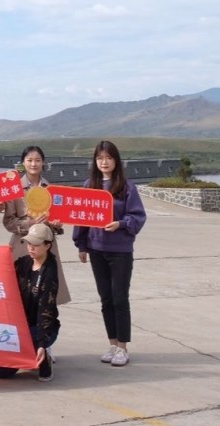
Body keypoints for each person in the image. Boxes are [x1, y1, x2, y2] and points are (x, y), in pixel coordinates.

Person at [73, 140, 147, 368]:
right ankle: (113, 344)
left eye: (108, 158)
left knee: (119, 298)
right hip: (97, 250)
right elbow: (81, 216)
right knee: (106, 299)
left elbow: (138, 216)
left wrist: (121, 224)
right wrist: (81, 245)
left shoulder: (126, 186)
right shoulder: (89, 185)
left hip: (120, 251)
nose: (104, 162)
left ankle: (123, 347)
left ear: (116, 160)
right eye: (100, 158)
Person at [1, 145, 71, 304]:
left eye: (38, 160)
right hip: (23, 245)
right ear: (23, 163)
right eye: (30, 160)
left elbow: (57, 218)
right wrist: (30, 223)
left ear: (43, 163)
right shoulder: (14, 188)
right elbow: (9, 222)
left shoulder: (51, 189)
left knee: (46, 292)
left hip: (46, 246)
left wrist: (57, 225)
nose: (34, 164)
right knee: (21, 292)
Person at [0, 223, 60, 383]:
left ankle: (44, 356)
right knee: (1, 371)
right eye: (29, 243)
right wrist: (2, 256)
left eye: (36, 244)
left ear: (48, 245)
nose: (31, 248)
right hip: (18, 326)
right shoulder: (23, 263)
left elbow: (46, 310)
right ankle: (26, 353)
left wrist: (42, 343)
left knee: (41, 366)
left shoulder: (49, 272)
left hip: (39, 328)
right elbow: (2, 274)